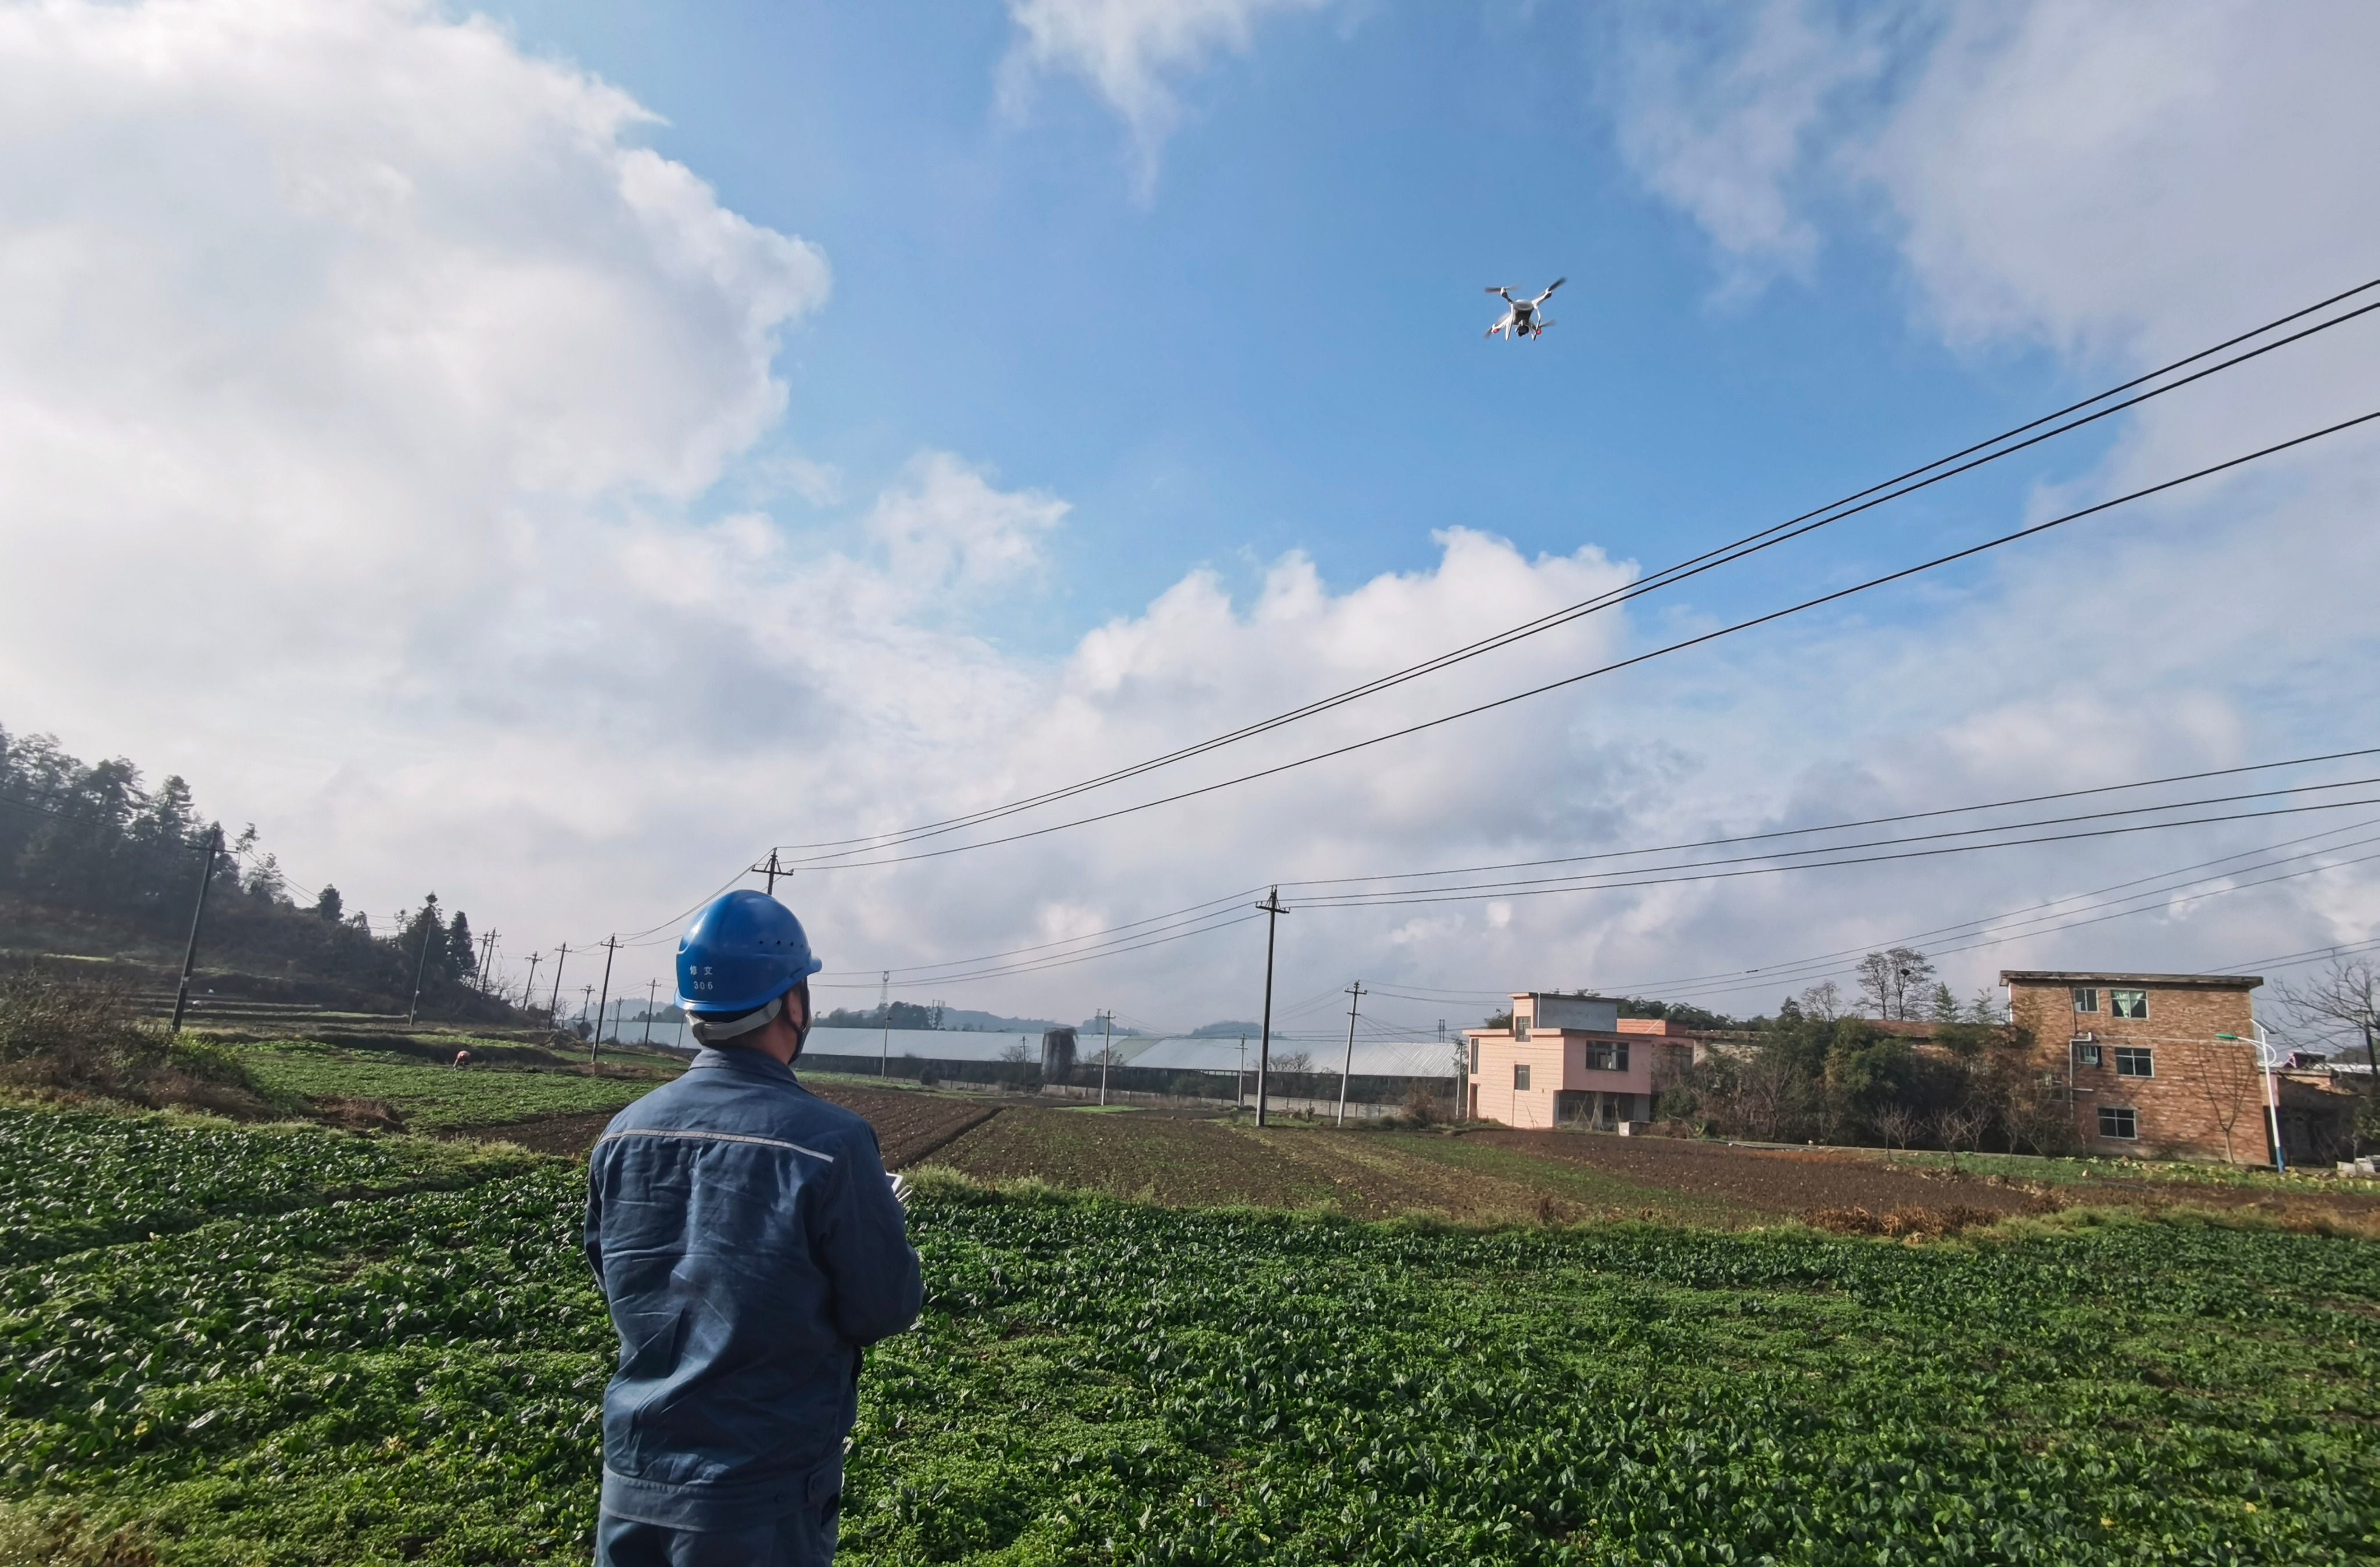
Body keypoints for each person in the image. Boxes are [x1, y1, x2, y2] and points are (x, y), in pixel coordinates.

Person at [584, 890, 922, 1566]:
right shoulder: (832, 1144)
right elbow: (884, 1307)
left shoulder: (623, 1134)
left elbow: (614, 1274)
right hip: (757, 1493)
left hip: (632, 1476)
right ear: (793, 1004)